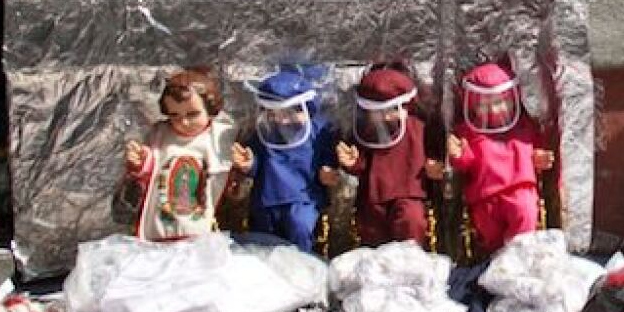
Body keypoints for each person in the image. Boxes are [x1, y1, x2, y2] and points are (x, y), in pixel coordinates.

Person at [447, 61, 556, 256]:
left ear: (513, 100)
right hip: (484, 198)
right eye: (483, 105)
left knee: (524, 225)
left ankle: (521, 261)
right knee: (492, 244)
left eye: (499, 102)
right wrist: (458, 154)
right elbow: (466, 163)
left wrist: (539, 158)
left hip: (520, 191)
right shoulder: (469, 132)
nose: (493, 110)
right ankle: (498, 265)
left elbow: (535, 151)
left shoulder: (524, 127)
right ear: (471, 105)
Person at [230, 68, 339, 254]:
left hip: (303, 198)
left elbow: (328, 156)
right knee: (263, 242)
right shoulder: (262, 132)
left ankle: (303, 266)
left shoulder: (319, 130)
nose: (283, 120)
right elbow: (258, 163)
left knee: (300, 228)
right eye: (274, 113)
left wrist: (327, 170)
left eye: (291, 111)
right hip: (267, 197)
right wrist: (249, 165)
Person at [121, 68, 237, 242]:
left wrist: (243, 168)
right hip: (161, 230)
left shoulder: (220, 137)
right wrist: (140, 163)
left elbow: (231, 184)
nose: (184, 122)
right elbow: (150, 174)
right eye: (174, 115)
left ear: (210, 109)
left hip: (203, 232)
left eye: (193, 114)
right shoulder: (160, 136)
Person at [337, 63, 437, 249]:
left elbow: (434, 153)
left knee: (411, 222)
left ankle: (412, 261)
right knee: (372, 235)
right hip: (373, 196)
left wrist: (434, 166)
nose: (384, 117)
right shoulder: (365, 131)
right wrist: (352, 163)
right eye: (377, 111)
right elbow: (362, 163)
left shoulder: (419, 128)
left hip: (409, 192)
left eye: (391, 110)